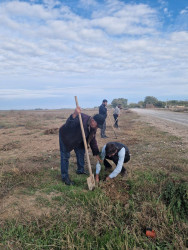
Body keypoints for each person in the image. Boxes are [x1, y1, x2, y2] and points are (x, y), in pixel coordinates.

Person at [59, 107, 105, 185]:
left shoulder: (93, 127)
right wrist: (74, 114)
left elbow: (93, 140)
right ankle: (65, 177)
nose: (97, 127)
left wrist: (96, 153)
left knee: (81, 152)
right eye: (97, 125)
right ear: (93, 121)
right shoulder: (81, 118)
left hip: (79, 138)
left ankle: (80, 170)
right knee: (65, 156)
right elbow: (68, 126)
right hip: (67, 137)